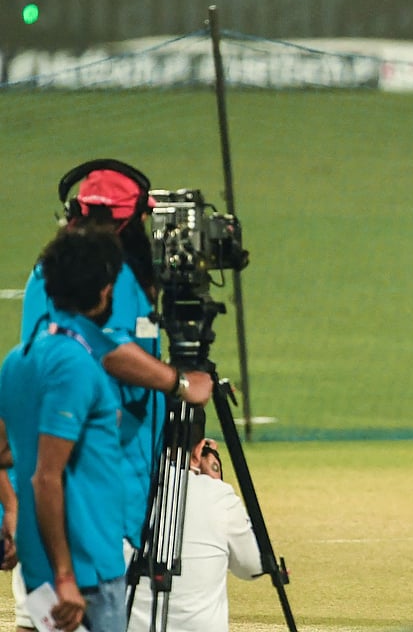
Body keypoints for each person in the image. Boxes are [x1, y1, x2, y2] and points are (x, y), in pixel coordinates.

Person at [14, 160, 214, 631]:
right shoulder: (113, 278)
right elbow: (112, 351)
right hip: (100, 499)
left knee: (38, 620)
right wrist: (180, 383)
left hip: (47, 511)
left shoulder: (41, 286)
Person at [0, 226, 131, 632]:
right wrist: (66, 577)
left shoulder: (17, 358)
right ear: (104, 291)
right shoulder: (74, 363)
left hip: (43, 561)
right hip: (84, 570)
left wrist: (12, 510)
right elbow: (46, 476)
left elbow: (4, 452)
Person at [126, 409, 263, 632]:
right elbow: (253, 566)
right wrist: (214, 480)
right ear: (199, 450)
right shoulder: (219, 497)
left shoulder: (122, 491)